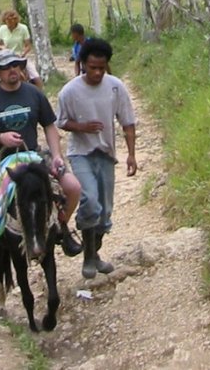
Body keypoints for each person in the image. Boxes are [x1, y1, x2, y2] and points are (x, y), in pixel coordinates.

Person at [0, 47, 82, 269]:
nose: (12, 70)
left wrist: (56, 155)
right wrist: (1, 137)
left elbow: (49, 125)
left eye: (16, 65)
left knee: (73, 187)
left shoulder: (34, 93)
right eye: (6, 67)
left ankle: (61, 229)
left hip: (32, 153)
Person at [56, 36, 137, 279]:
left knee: (105, 211)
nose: (98, 73)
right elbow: (61, 122)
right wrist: (81, 127)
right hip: (81, 153)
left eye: (102, 68)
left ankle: (94, 254)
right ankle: (88, 258)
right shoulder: (69, 91)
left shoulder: (115, 87)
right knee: (90, 200)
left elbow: (128, 122)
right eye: (93, 68)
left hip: (106, 154)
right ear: (82, 64)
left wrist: (131, 154)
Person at [0, 8, 43, 88]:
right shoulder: (2, 29)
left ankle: (40, 93)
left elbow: (28, 46)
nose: (9, 24)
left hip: (19, 55)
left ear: (15, 20)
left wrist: (23, 54)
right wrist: (3, 48)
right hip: (6, 56)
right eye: (7, 21)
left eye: (11, 21)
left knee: (34, 74)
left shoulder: (23, 28)